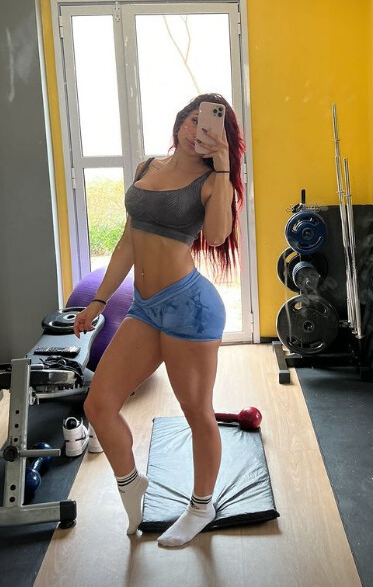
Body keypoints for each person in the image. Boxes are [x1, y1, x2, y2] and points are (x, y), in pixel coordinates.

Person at [74, 93, 245, 547]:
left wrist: (223, 167)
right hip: (145, 308)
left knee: (197, 412)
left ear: (221, 135)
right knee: (98, 404)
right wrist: (99, 300)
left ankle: (202, 507)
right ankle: (132, 483)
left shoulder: (212, 183)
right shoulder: (147, 167)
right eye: (192, 120)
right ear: (180, 122)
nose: (197, 132)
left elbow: (217, 235)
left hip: (190, 308)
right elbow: (128, 240)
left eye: (209, 126)